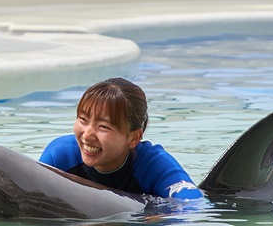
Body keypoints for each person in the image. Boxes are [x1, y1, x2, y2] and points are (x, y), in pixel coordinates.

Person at [39, 77, 202, 200]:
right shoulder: (60, 156)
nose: (87, 135)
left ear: (133, 138)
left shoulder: (152, 165)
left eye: (103, 126)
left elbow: (193, 207)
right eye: (83, 119)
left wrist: (154, 215)